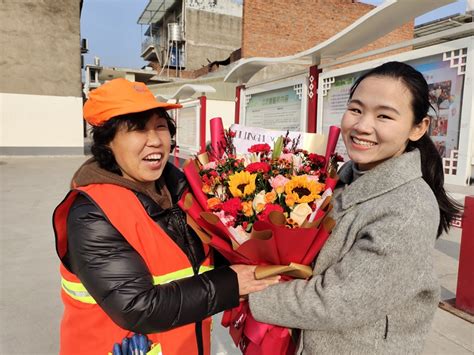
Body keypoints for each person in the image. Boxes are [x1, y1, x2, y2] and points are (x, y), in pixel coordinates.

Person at [52, 78, 278, 355]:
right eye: (137, 129)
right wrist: (230, 284)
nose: (155, 140)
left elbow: (207, 258)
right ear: (107, 142)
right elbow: (137, 307)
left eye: (160, 126)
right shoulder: (91, 213)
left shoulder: (185, 192)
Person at [248, 62, 461, 354]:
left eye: (384, 115)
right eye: (356, 109)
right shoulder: (340, 178)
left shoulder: (407, 208)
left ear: (418, 127)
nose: (362, 126)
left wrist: (247, 290)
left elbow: (337, 301)